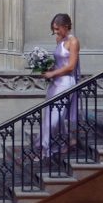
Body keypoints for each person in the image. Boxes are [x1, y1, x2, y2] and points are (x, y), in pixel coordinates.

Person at [40, 13, 80, 155]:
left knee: (55, 118)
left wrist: (53, 73)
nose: (55, 32)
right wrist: (48, 70)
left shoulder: (73, 41)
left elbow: (71, 66)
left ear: (66, 26)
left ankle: (48, 149)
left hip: (66, 83)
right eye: (54, 29)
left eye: (57, 29)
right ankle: (63, 142)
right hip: (55, 83)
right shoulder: (59, 40)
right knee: (51, 115)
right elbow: (59, 63)